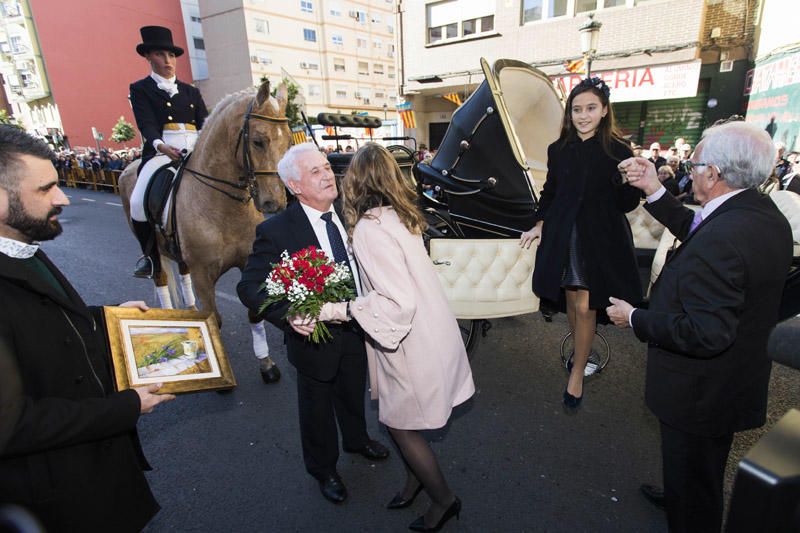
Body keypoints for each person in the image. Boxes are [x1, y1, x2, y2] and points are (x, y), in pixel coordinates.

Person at [607, 121, 793, 533]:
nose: (690, 169)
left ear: (716, 174)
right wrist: (653, 188)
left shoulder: (724, 238)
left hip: (701, 392)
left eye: (695, 163)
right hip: (731, 380)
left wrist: (634, 317)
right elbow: (698, 231)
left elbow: (705, 333)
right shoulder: (759, 214)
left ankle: (687, 504)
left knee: (695, 492)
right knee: (697, 466)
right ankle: (680, 490)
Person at [0, 126, 175, 531]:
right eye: (45, 190)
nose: (62, 198)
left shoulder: (21, 246)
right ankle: (150, 250)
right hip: (55, 499)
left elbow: (41, 322)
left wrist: (105, 317)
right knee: (146, 191)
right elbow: (12, 423)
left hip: (94, 474)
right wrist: (126, 406)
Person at [312, 143, 475, 531]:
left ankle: (444, 500)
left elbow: (396, 303)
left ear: (355, 180)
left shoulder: (371, 228)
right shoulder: (401, 216)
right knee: (402, 419)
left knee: (400, 424)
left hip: (409, 342)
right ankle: (415, 479)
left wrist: (336, 309)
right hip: (428, 332)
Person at [237, 143, 389, 505]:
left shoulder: (352, 212)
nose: (327, 176)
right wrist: (288, 314)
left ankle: (357, 438)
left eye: (327, 167)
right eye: (316, 172)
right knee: (317, 408)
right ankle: (324, 469)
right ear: (295, 186)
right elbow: (249, 285)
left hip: (356, 323)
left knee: (353, 389)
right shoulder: (277, 230)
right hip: (313, 338)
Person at [519, 77, 642, 410]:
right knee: (573, 302)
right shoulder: (558, 150)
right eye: (576, 109)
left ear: (604, 111)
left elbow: (627, 203)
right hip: (564, 235)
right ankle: (581, 347)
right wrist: (540, 223)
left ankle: (577, 372)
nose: (583, 115)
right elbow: (551, 192)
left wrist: (631, 181)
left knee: (587, 304)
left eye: (590, 108)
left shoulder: (618, 150)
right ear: (569, 113)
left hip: (600, 238)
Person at [128, 25, 208, 279]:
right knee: (137, 201)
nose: (167, 61)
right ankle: (150, 257)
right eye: (161, 55)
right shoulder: (140, 89)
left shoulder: (191, 91)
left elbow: (205, 123)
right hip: (162, 149)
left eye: (171, 56)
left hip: (196, 148)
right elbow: (147, 124)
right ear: (148, 56)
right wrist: (160, 145)